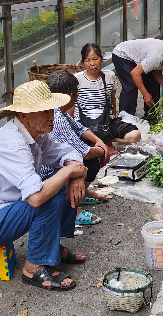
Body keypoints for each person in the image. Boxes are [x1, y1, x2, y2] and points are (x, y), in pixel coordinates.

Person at [0, 80, 89, 292]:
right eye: (44, 111)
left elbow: (66, 151)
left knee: (59, 183)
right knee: (48, 195)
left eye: (51, 110)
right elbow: (36, 198)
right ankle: (33, 268)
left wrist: (73, 175)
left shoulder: (35, 136)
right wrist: (69, 172)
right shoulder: (14, 143)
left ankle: (52, 247)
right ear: (24, 116)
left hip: (6, 212)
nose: (51, 116)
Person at [42, 70, 111, 225]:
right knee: (90, 161)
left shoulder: (59, 111)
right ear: (72, 95)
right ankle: (72, 206)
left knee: (88, 151)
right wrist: (104, 150)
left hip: (51, 160)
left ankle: (81, 193)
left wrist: (98, 141)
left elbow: (79, 128)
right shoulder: (57, 118)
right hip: (47, 172)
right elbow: (85, 154)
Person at [74, 43, 141, 144]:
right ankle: (104, 141)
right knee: (85, 139)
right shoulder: (76, 79)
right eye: (88, 60)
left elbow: (112, 100)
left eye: (95, 59)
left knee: (135, 135)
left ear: (101, 59)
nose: (92, 63)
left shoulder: (109, 76)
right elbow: (71, 106)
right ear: (83, 62)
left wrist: (112, 118)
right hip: (85, 125)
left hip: (106, 123)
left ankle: (110, 140)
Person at [111, 38, 163, 117]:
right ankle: (125, 119)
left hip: (139, 58)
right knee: (131, 86)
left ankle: (151, 116)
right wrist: (145, 94)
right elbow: (135, 73)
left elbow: (156, 71)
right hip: (122, 54)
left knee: (153, 83)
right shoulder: (157, 56)